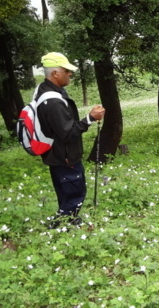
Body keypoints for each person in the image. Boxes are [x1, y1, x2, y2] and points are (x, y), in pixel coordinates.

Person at [37, 52, 105, 227]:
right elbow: (67, 133)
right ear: (55, 73)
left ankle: (71, 223)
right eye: (66, 70)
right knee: (75, 194)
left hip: (55, 156)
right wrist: (89, 118)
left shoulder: (43, 91)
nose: (70, 74)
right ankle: (57, 228)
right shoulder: (53, 102)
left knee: (66, 194)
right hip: (66, 157)